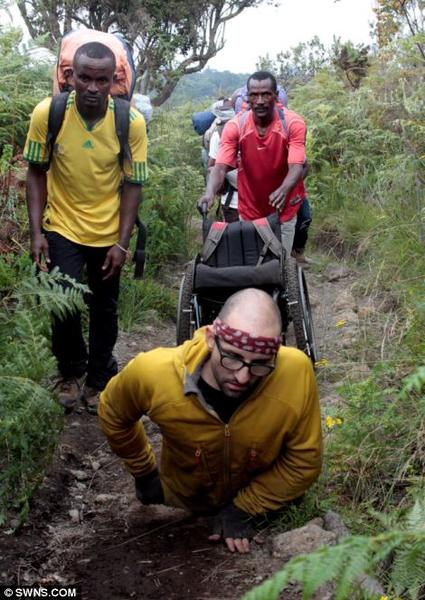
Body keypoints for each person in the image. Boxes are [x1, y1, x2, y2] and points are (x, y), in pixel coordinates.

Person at [98, 288, 322, 554]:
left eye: (260, 365)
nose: (242, 377)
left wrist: (244, 508)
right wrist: (144, 471)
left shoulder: (295, 371)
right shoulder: (154, 372)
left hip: (262, 500)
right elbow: (113, 411)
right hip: (181, 499)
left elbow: (305, 459)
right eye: (231, 358)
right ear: (210, 338)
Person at [24, 42, 148, 414]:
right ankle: (70, 371)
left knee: (104, 307)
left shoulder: (131, 122)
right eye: (85, 78)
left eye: (102, 80)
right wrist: (36, 234)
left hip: (109, 232)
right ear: (70, 77)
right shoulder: (50, 114)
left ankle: (99, 378)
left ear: (113, 81)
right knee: (63, 303)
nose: (93, 87)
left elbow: (132, 185)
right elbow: (35, 171)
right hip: (62, 226)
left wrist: (122, 243)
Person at [198, 71, 307, 258]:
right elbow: (220, 166)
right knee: (253, 264)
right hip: (250, 210)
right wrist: (209, 193)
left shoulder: (293, 124)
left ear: (275, 96)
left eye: (266, 94)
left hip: (285, 208)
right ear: (247, 98)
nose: (260, 101)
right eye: (254, 95)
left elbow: (297, 166)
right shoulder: (236, 126)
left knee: (281, 266)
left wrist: (283, 189)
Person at [206, 99, 239, 223]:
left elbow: (211, 167)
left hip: (233, 200)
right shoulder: (218, 135)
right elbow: (213, 167)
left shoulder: (217, 134)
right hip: (234, 200)